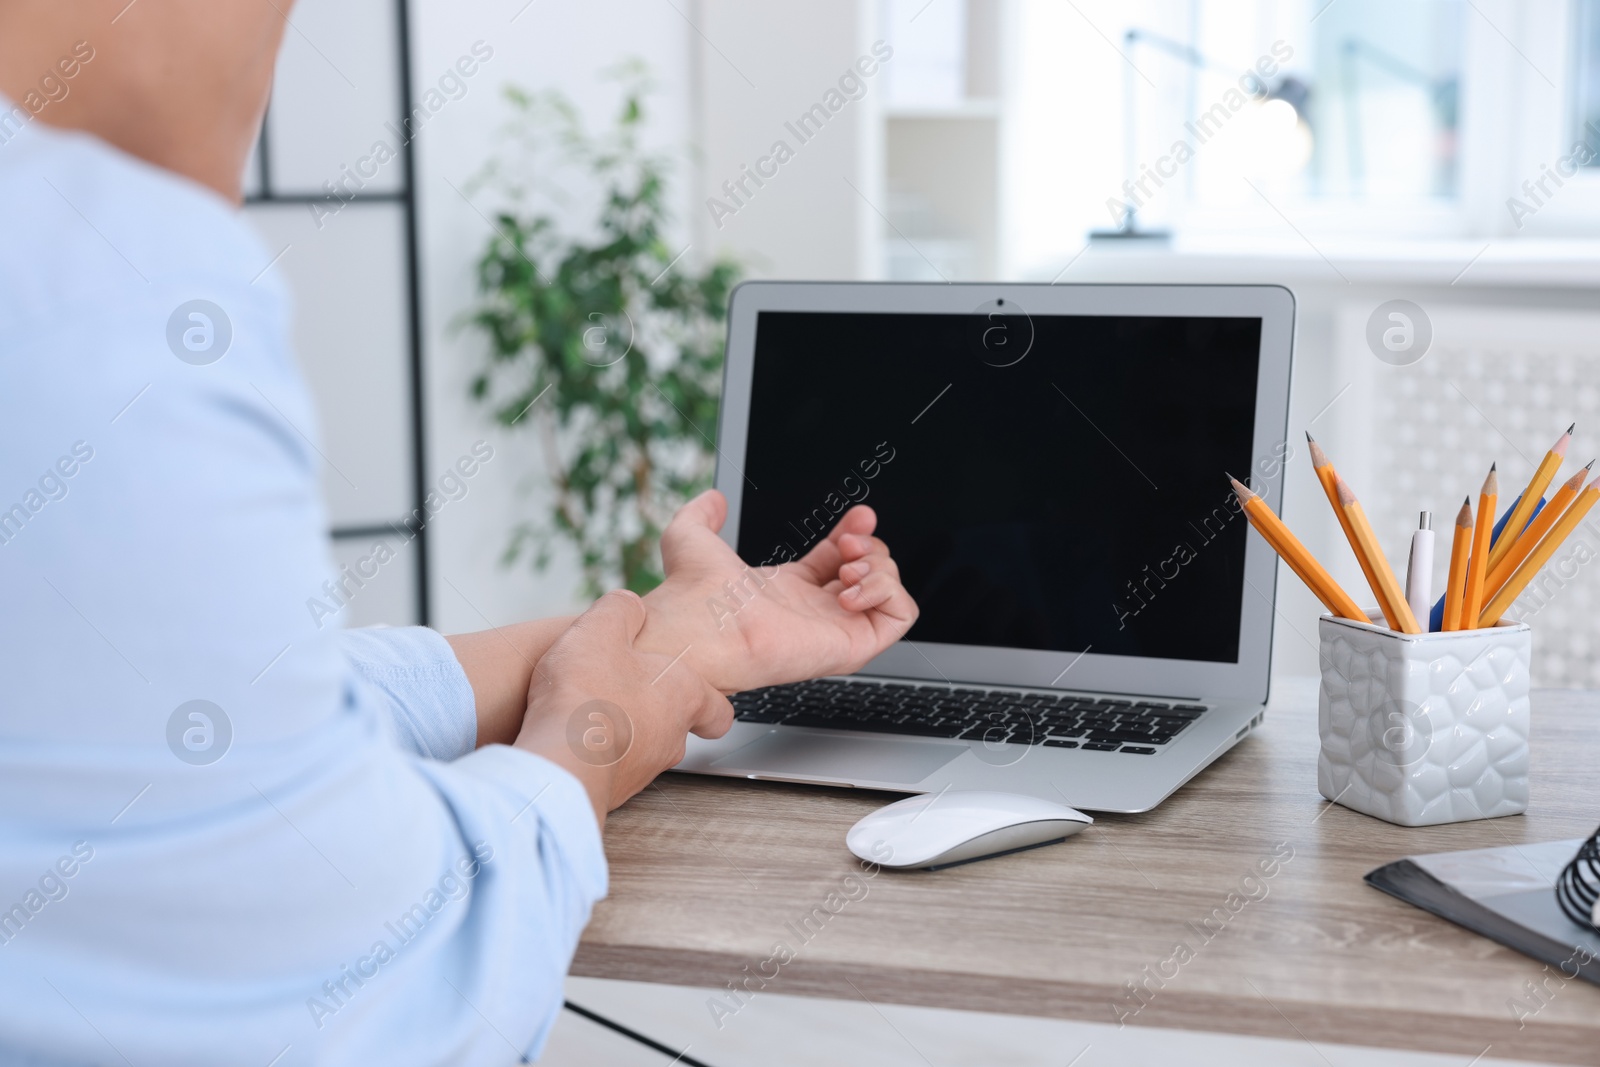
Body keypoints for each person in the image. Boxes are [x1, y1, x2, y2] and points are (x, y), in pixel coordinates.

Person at [0, 2, 917, 1063]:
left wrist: (686, 638)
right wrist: (595, 733)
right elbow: (373, 989)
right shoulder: (87, 293)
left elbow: (225, 720)